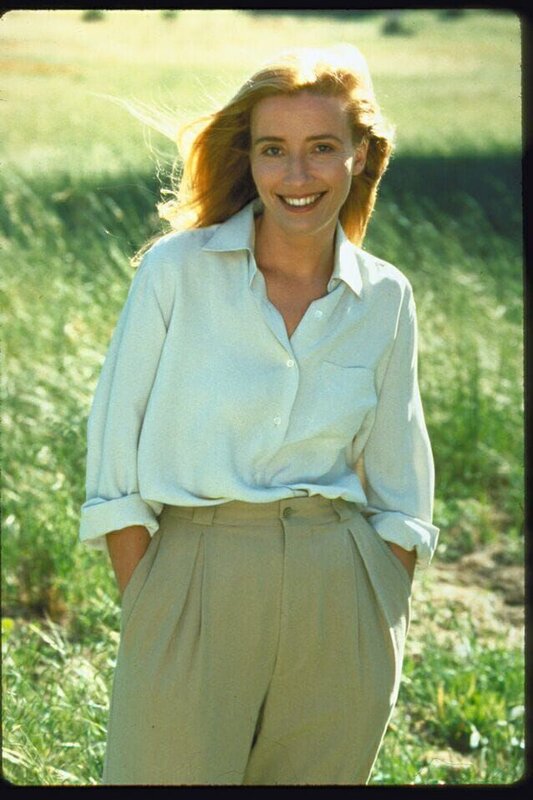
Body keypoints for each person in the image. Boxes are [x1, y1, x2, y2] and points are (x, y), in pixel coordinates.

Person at [79, 43, 439, 786]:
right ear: (249, 158)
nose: (296, 176)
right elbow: (114, 450)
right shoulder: (176, 271)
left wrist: (382, 590)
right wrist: (150, 599)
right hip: (192, 581)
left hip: (341, 590)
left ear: (360, 155)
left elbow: (400, 471)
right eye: (274, 149)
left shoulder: (386, 297)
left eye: (322, 148)